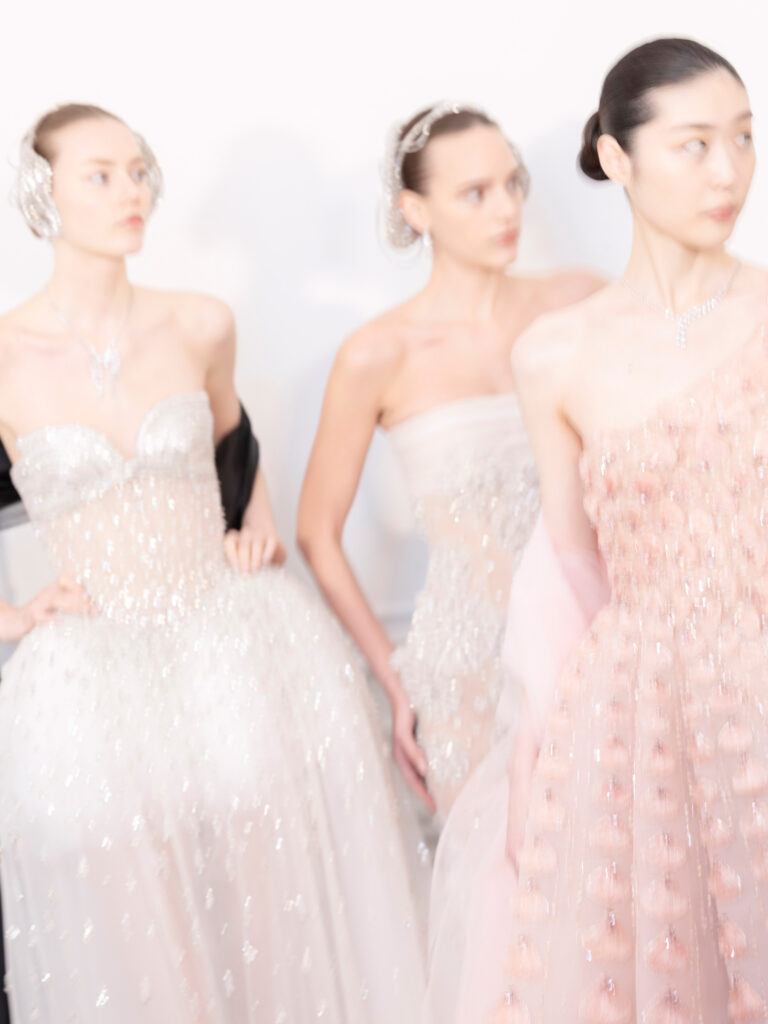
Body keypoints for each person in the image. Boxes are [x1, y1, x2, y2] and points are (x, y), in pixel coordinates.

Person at [0, 103, 425, 1023]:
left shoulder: (199, 323)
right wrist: (13, 616)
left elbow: (236, 446)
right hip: (91, 673)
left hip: (228, 637)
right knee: (133, 909)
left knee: (269, 877)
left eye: (138, 170)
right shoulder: (5, 355)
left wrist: (255, 531)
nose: (132, 191)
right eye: (101, 175)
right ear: (42, 194)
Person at [484, 37, 766, 1024]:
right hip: (642, 712)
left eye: (744, 138)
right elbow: (568, 570)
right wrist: (539, 749)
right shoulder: (555, 353)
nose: (729, 171)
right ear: (617, 157)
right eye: (695, 144)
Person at [298, 102, 602, 820]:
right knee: (495, 864)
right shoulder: (377, 354)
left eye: (513, 183)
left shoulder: (580, 300)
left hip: (592, 633)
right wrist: (395, 677)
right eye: (475, 193)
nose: (506, 208)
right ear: (417, 210)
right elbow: (316, 532)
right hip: (467, 661)